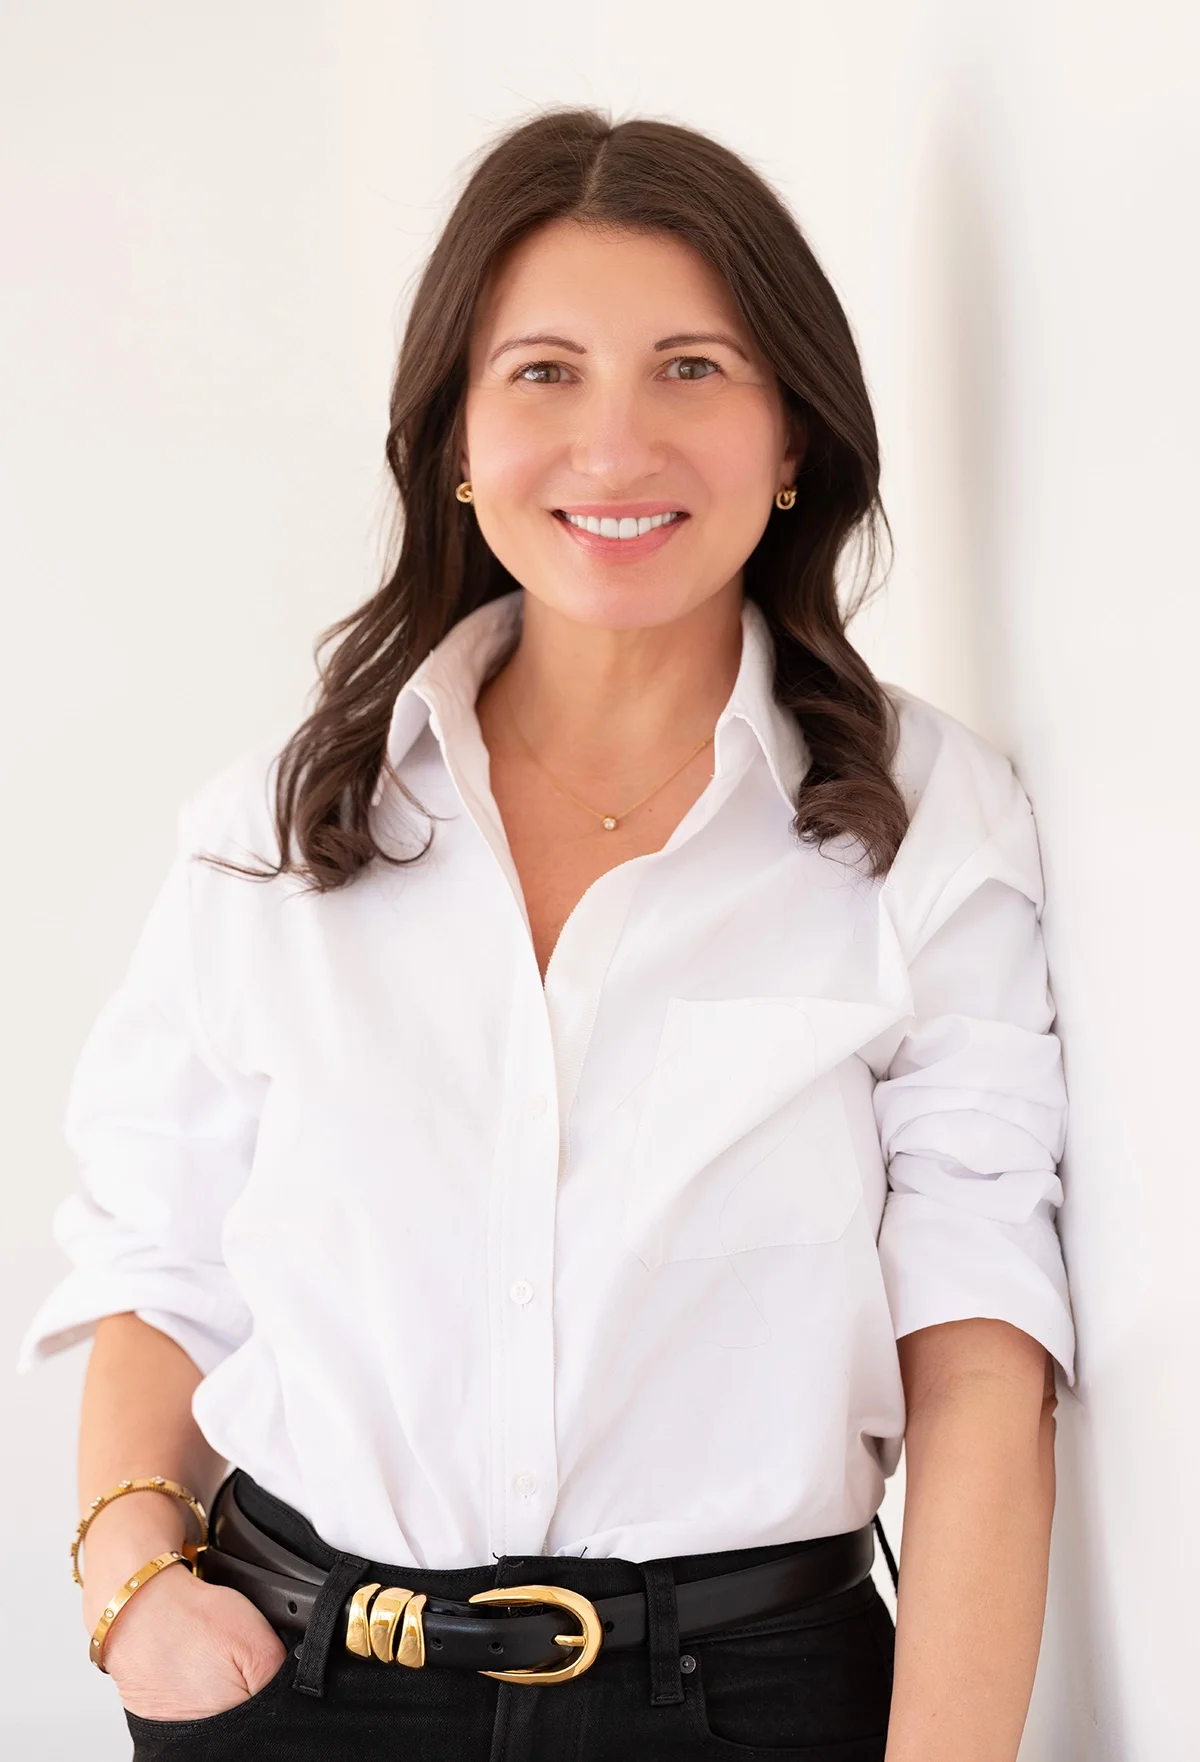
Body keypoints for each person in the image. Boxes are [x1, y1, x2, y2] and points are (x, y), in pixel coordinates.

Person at [19, 108, 1075, 1762]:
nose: (614, 445)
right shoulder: (279, 822)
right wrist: (134, 1588)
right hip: (288, 1688)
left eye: (691, 368)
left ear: (794, 433)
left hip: (744, 1707)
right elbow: (161, 1256)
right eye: (544, 373)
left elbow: (984, 1364)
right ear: (452, 433)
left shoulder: (927, 820)